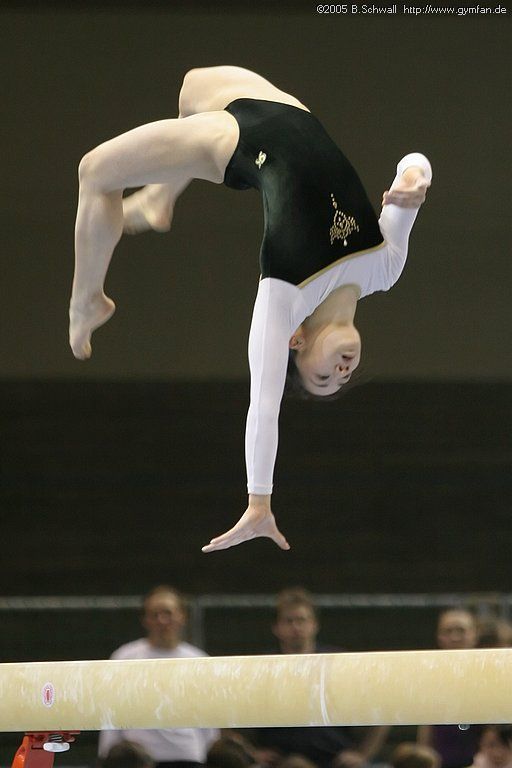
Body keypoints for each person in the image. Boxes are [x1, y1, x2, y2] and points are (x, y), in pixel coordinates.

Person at [69, 65, 432, 553]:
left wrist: (259, 501)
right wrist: (414, 179)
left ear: (295, 343)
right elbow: (414, 160)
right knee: (192, 85)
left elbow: (264, 405)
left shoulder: (285, 295)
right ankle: (159, 197)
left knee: (95, 172)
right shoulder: (385, 269)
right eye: (342, 380)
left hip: (237, 142)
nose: (342, 373)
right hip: (285, 110)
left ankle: (87, 302)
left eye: (323, 378)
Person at [246, 588, 389, 768]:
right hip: (278, 762)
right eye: (288, 621)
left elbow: (382, 708)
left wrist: (363, 754)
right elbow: (223, 713)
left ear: (314, 624)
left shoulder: (339, 663)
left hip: (335, 761)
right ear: (276, 627)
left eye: (301, 620)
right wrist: (250, 752)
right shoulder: (261, 667)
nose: (295, 627)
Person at [98, 585, 218, 768]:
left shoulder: (198, 660)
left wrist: (210, 755)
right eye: (155, 614)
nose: (162, 620)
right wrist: (106, 754)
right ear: (145, 620)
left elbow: (210, 715)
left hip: (187, 754)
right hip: (137, 757)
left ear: (182, 616)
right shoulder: (125, 657)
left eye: (167, 613)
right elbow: (110, 711)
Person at [417, 608, 479, 768]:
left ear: (474, 634)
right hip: (443, 758)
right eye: (448, 631)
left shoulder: (489, 671)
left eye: (461, 630)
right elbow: (426, 723)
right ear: (439, 636)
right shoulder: (430, 673)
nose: (455, 637)